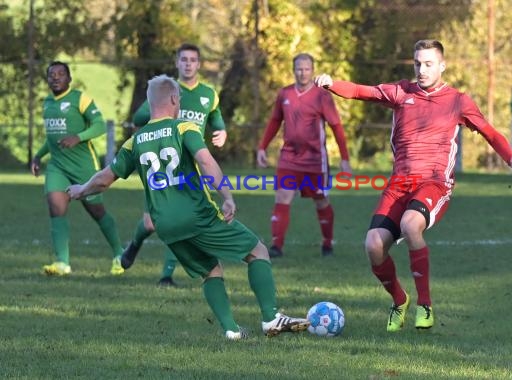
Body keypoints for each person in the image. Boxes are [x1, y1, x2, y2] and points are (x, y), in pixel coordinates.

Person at [314, 39, 512, 332]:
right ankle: (399, 300)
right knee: (373, 245)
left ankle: (425, 305)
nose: (422, 69)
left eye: (429, 64)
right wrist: (331, 83)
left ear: (442, 66)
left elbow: (489, 132)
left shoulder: (458, 100)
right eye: (418, 63)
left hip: (434, 183)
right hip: (399, 183)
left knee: (410, 224)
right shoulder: (400, 92)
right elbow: (359, 91)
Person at [67, 74, 310, 339]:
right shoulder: (183, 128)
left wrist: (81, 189)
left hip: (166, 225)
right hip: (197, 215)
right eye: (179, 98)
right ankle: (271, 318)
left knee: (210, 270)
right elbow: (206, 162)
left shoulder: (134, 142)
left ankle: (231, 331)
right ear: (173, 99)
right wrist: (227, 195)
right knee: (257, 250)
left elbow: (104, 179)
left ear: (149, 104)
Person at [122, 43, 228, 287]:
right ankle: (135, 244)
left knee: (180, 218)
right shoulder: (164, 92)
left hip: (189, 171)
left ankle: (166, 275)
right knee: (150, 223)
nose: (188, 63)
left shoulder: (209, 95)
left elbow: (217, 121)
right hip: (161, 169)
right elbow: (138, 121)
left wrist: (221, 133)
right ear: (177, 63)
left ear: (199, 64)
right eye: (184, 59)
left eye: (193, 59)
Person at [31, 61, 125, 276]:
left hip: (83, 166)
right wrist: (38, 155)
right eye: (51, 74)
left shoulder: (79, 99)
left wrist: (78, 137)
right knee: (56, 209)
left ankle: (120, 254)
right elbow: (52, 138)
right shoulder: (47, 103)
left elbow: (99, 125)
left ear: (69, 78)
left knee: (96, 211)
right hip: (57, 166)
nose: (55, 77)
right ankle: (62, 263)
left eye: (60, 74)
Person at [257, 53, 352, 258]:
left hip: (315, 161)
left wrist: (344, 158)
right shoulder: (285, 94)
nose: (303, 72)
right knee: (282, 197)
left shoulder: (322, 95)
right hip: (289, 157)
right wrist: (262, 147)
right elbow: (274, 121)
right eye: (299, 68)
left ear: (312, 70)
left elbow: (336, 126)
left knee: (321, 200)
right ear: (294, 70)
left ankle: (327, 243)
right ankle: (276, 246)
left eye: (307, 68)